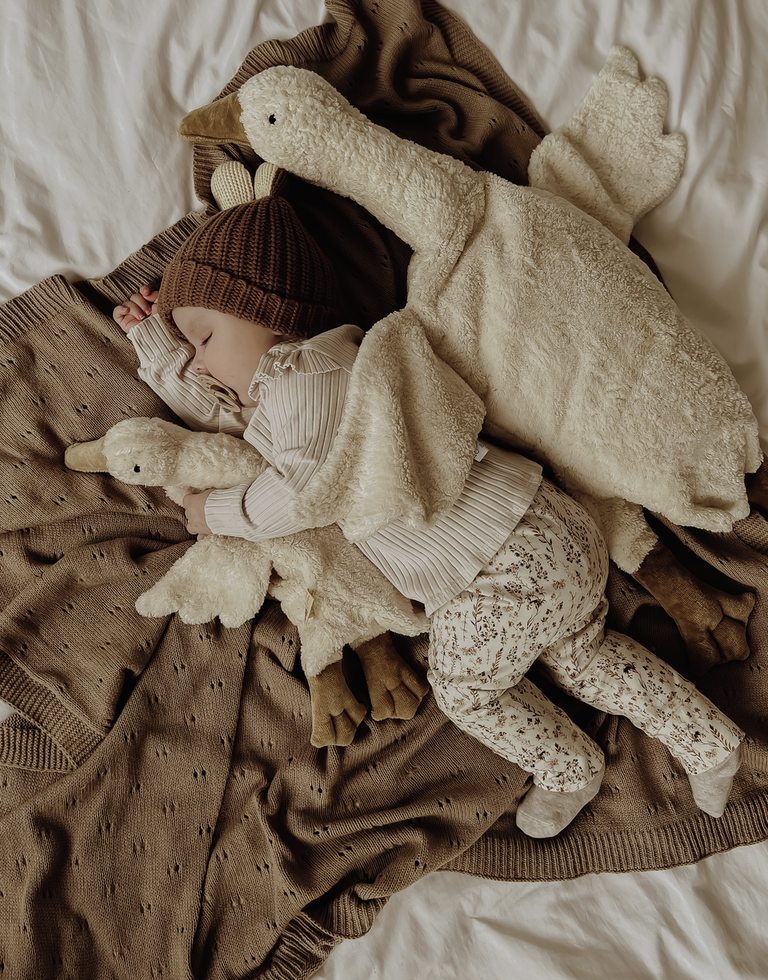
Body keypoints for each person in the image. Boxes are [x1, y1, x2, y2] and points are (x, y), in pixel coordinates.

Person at [113, 184, 744, 839]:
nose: (199, 359)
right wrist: (156, 348)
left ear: (269, 311)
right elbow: (221, 411)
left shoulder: (313, 379)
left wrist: (219, 513)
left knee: (464, 688)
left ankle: (567, 768)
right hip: (547, 535)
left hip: (493, 565)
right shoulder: (299, 384)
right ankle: (705, 740)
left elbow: (300, 491)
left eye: (204, 337)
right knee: (586, 657)